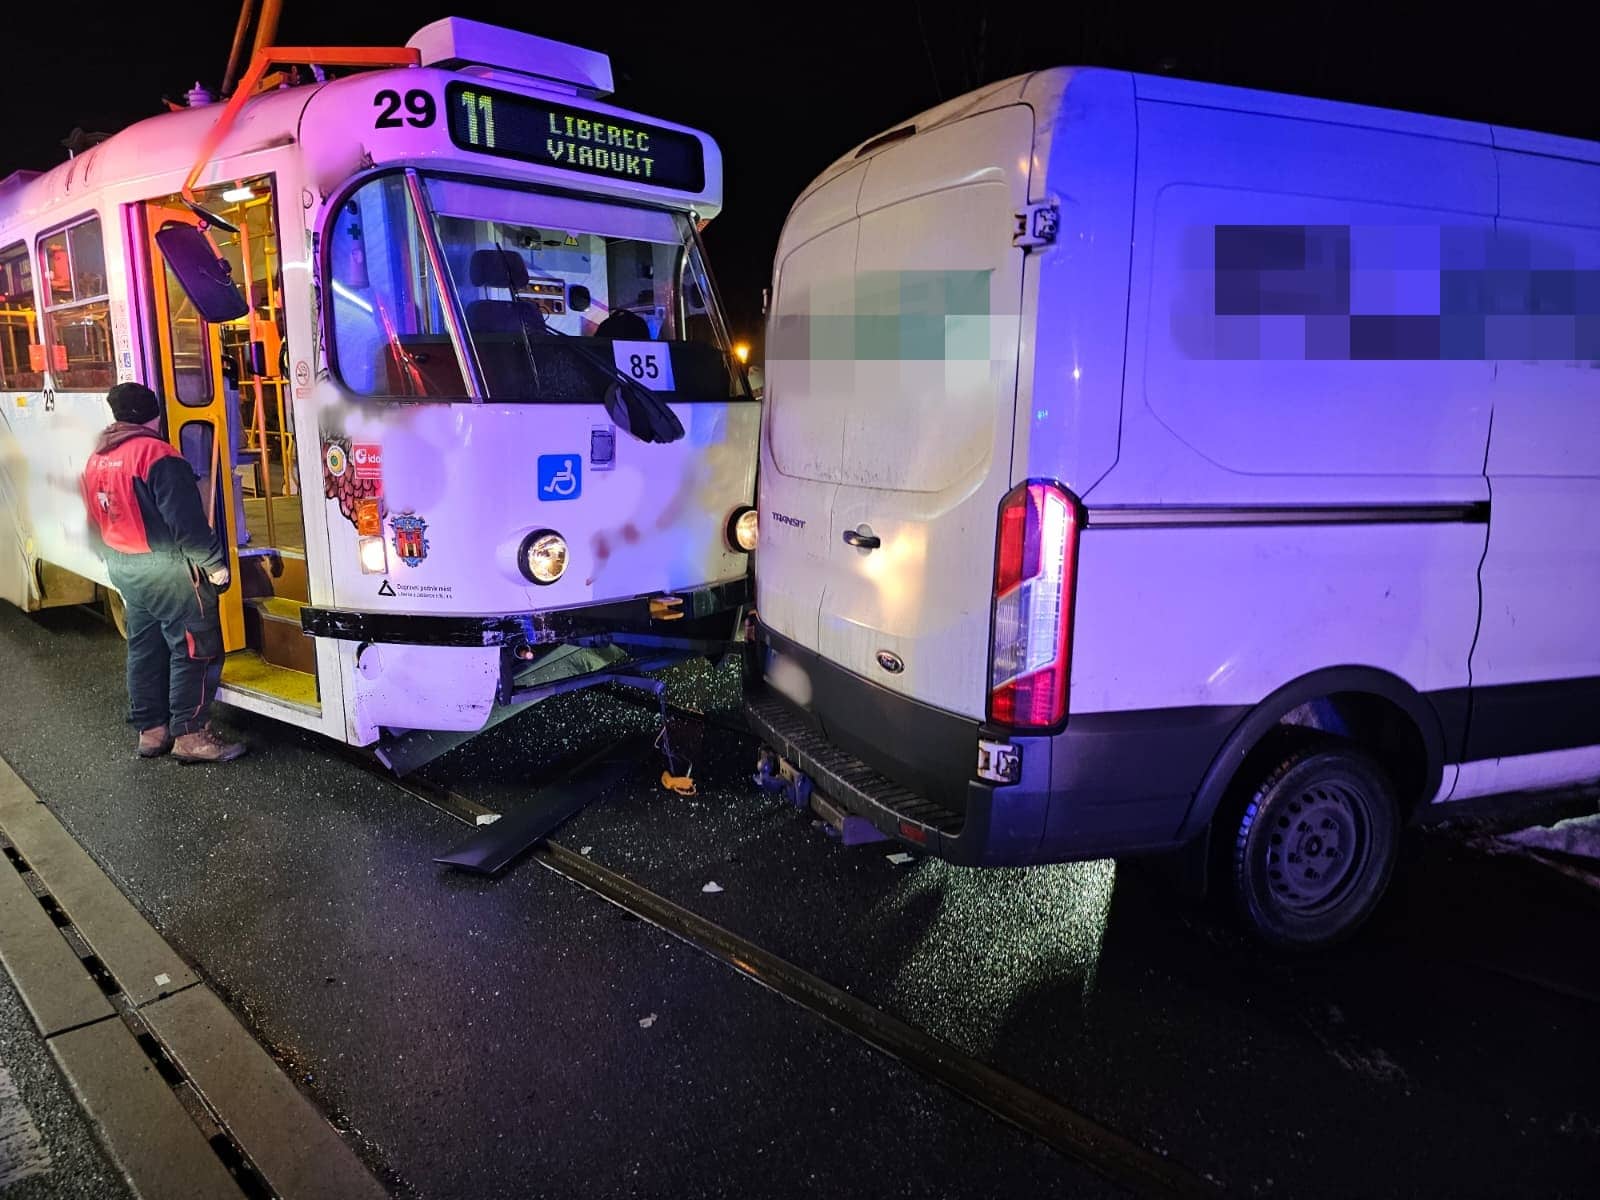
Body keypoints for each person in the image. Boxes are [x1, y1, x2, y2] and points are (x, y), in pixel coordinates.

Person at [79, 382, 246, 763]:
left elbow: (93, 519)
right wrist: (215, 566)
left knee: (144, 649)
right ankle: (191, 736)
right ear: (155, 414)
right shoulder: (157, 455)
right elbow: (186, 525)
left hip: (125, 566)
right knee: (195, 649)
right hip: (168, 572)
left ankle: (151, 732)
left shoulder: (99, 457)